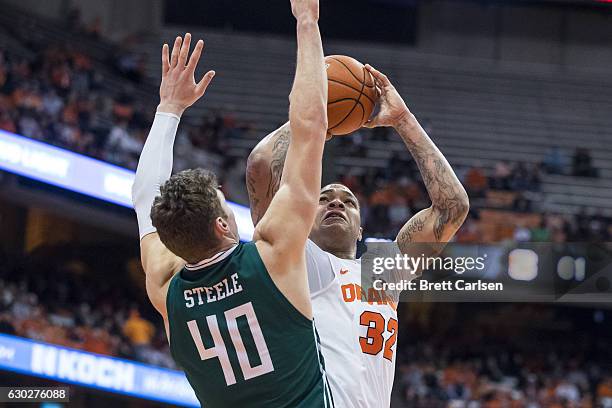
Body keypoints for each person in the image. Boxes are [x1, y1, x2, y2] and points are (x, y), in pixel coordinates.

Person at [131, 0, 334, 403]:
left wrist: (169, 109)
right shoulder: (272, 256)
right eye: (225, 203)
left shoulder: (165, 288)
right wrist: (307, 19)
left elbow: (144, 199)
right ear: (222, 226)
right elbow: (309, 126)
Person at [247, 64, 469, 407]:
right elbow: (261, 165)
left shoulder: (379, 272)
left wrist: (403, 120)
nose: (336, 202)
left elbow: (452, 208)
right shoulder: (295, 257)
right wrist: (314, 120)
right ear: (303, 218)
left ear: (361, 228)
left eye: (348, 202)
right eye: (323, 199)